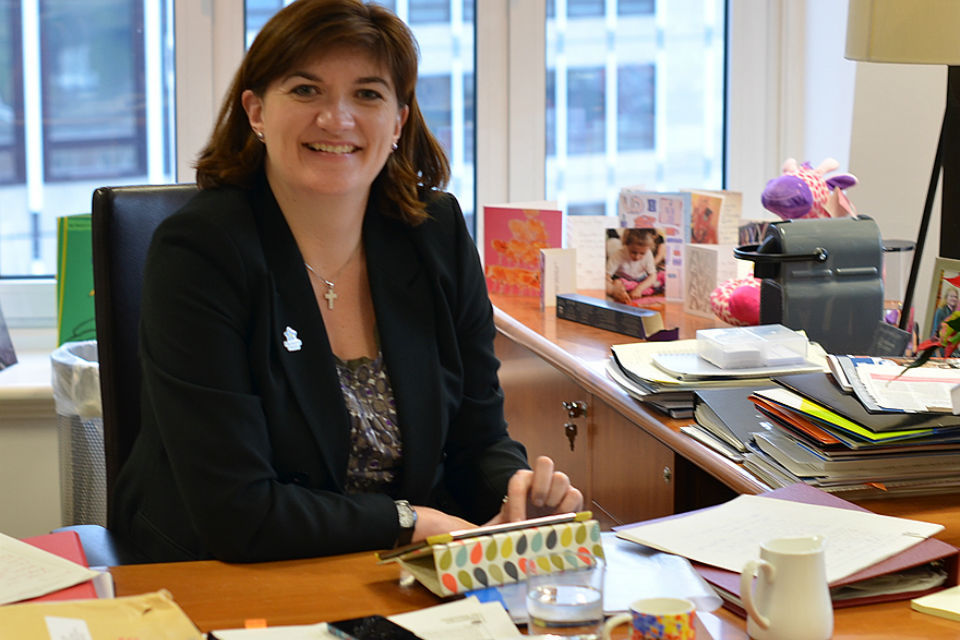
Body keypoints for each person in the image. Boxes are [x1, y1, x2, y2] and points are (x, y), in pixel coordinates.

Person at [112, 0, 582, 563]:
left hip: (403, 566)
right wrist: (410, 522)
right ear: (257, 111)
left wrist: (512, 491)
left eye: (367, 94)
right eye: (306, 90)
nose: (337, 119)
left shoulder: (435, 235)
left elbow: (477, 437)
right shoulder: (201, 252)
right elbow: (234, 510)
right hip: (226, 572)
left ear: (398, 121)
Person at [606, 228, 660, 302]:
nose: (637, 257)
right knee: (617, 283)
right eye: (633, 252)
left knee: (659, 281)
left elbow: (652, 275)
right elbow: (607, 276)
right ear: (627, 245)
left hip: (640, 279)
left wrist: (639, 289)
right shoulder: (618, 254)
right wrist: (614, 289)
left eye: (642, 253)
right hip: (622, 279)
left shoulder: (648, 253)